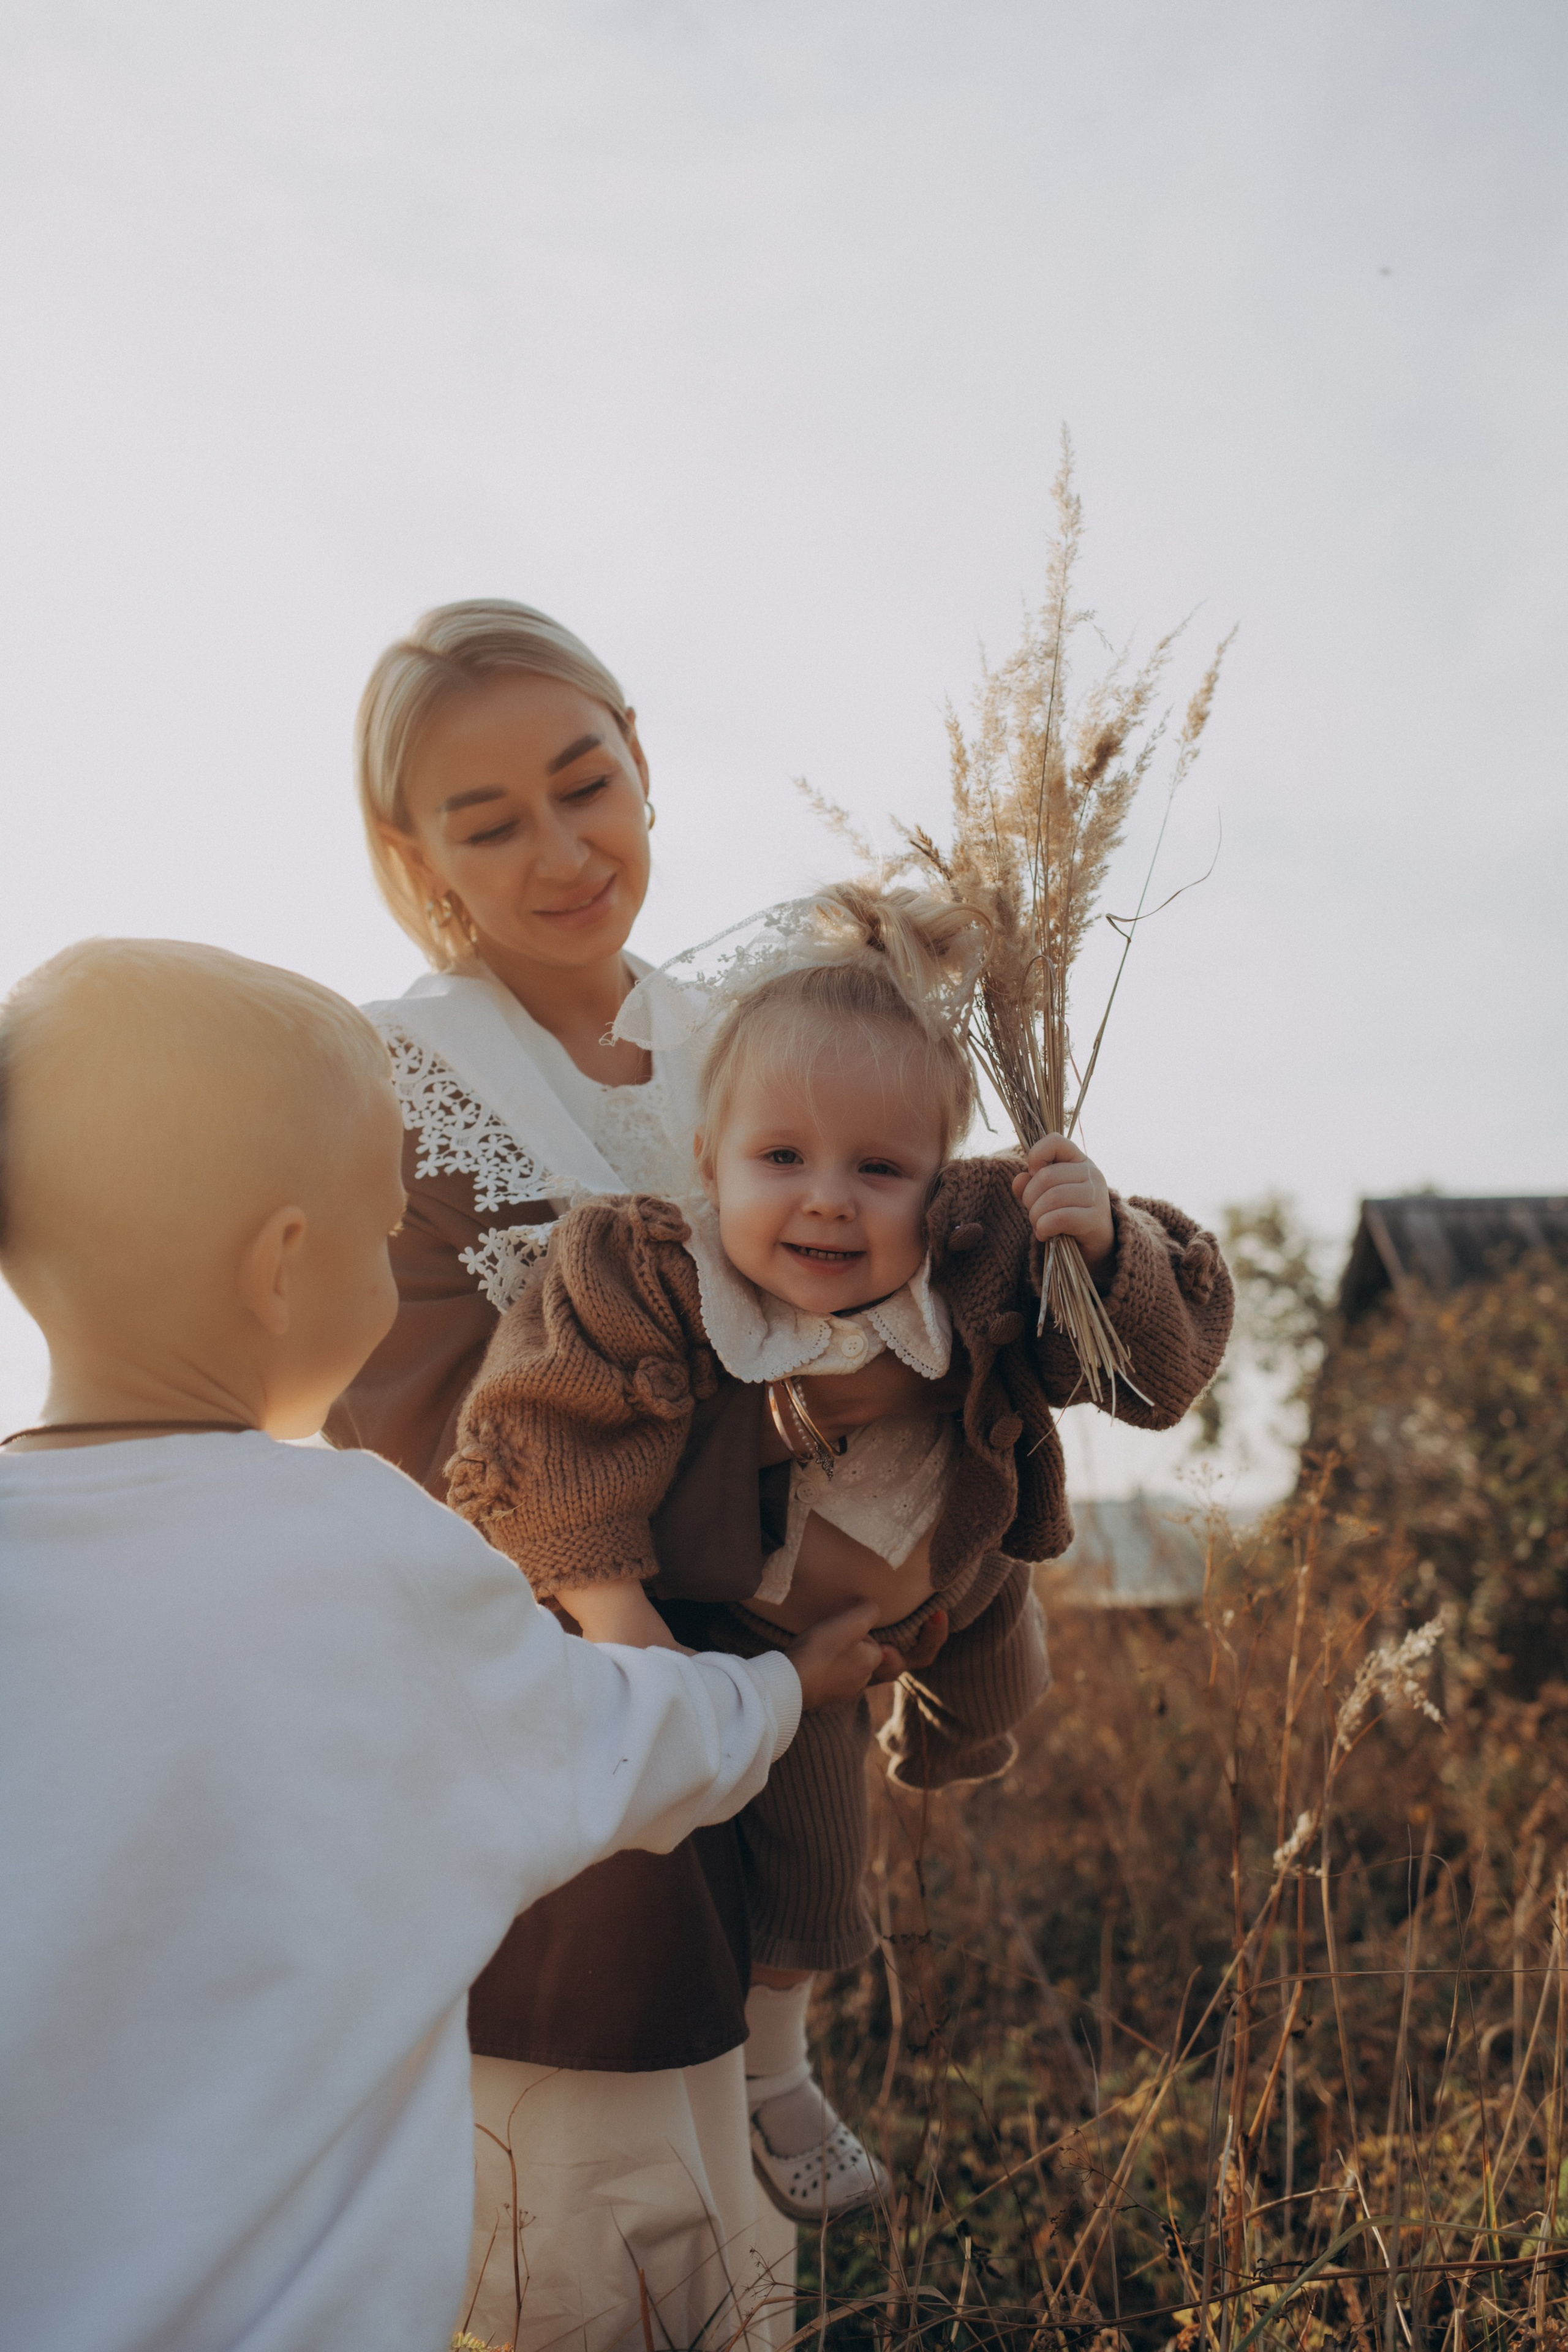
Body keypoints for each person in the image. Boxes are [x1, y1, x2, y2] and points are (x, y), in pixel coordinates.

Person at [0, 937, 888, 2352]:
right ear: (281, 1266)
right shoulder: (364, 1547)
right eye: (376, 1231)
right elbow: (624, 1738)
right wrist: (789, 1687)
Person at [326, 602, 959, 2339]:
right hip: (566, 1738)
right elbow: (430, 1447)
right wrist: (791, 1480)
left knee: (736, 2255)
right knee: (587, 2242)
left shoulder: (757, 1033)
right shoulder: (393, 1082)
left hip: (787, 1695)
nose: (561, 851)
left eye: (583, 782)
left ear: (641, 760)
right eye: (487, 821)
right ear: (414, 854)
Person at [448, 881, 1236, 2218]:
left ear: (943, 1180)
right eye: (782, 1159)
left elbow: (1154, 1375)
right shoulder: (649, 1271)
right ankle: (779, 2065)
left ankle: (949, 1735)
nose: (827, 1203)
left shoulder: (984, 1249)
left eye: (879, 1170)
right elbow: (547, 1430)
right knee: (815, 1875)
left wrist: (1106, 1241)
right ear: (707, 1160)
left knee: (998, 1692)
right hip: (791, 1632)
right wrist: (626, 1627)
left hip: (966, 1559)